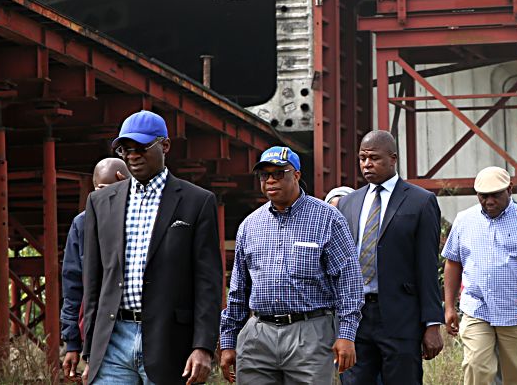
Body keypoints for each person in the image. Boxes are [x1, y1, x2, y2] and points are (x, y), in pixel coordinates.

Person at [81, 110, 222, 385]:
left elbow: (208, 281)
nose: (132, 155)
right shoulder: (100, 202)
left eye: (141, 147)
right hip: (112, 340)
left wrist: (203, 346)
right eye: (125, 149)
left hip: (170, 343)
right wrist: (89, 350)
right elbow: (93, 279)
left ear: (165, 145)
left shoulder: (197, 201)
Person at [219, 146, 364, 384]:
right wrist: (228, 342)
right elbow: (238, 290)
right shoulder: (249, 225)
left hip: (310, 333)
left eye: (279, 173)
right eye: (264, 175)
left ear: (296, 174)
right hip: (258, 335)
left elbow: (349, 281)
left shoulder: (327, 218)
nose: (271, 180)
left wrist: (347, 335)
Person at [335, 130, 444, 384]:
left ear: (393, 159)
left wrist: (432, 324)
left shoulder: (420, 201)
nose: (367, 164)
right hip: (355, 316)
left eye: (374, 158)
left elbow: (428, 267)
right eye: (362, 158)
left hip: (400, 317)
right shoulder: (349, 203)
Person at [442, 166, 517, 385]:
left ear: (509, 189)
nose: (489, 201)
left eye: (495, 195)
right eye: (483, 196)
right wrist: (449, 307)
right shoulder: (464, 220)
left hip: (516, 311)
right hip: (476, 308)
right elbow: (453, 264)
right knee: (477, 367)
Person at [61, 158, 130, 379]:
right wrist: (72, 342)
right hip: (98, 332)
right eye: (101, 190)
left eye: (114, 190)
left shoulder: (141, 220)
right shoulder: (82, 224)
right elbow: (72, 286)